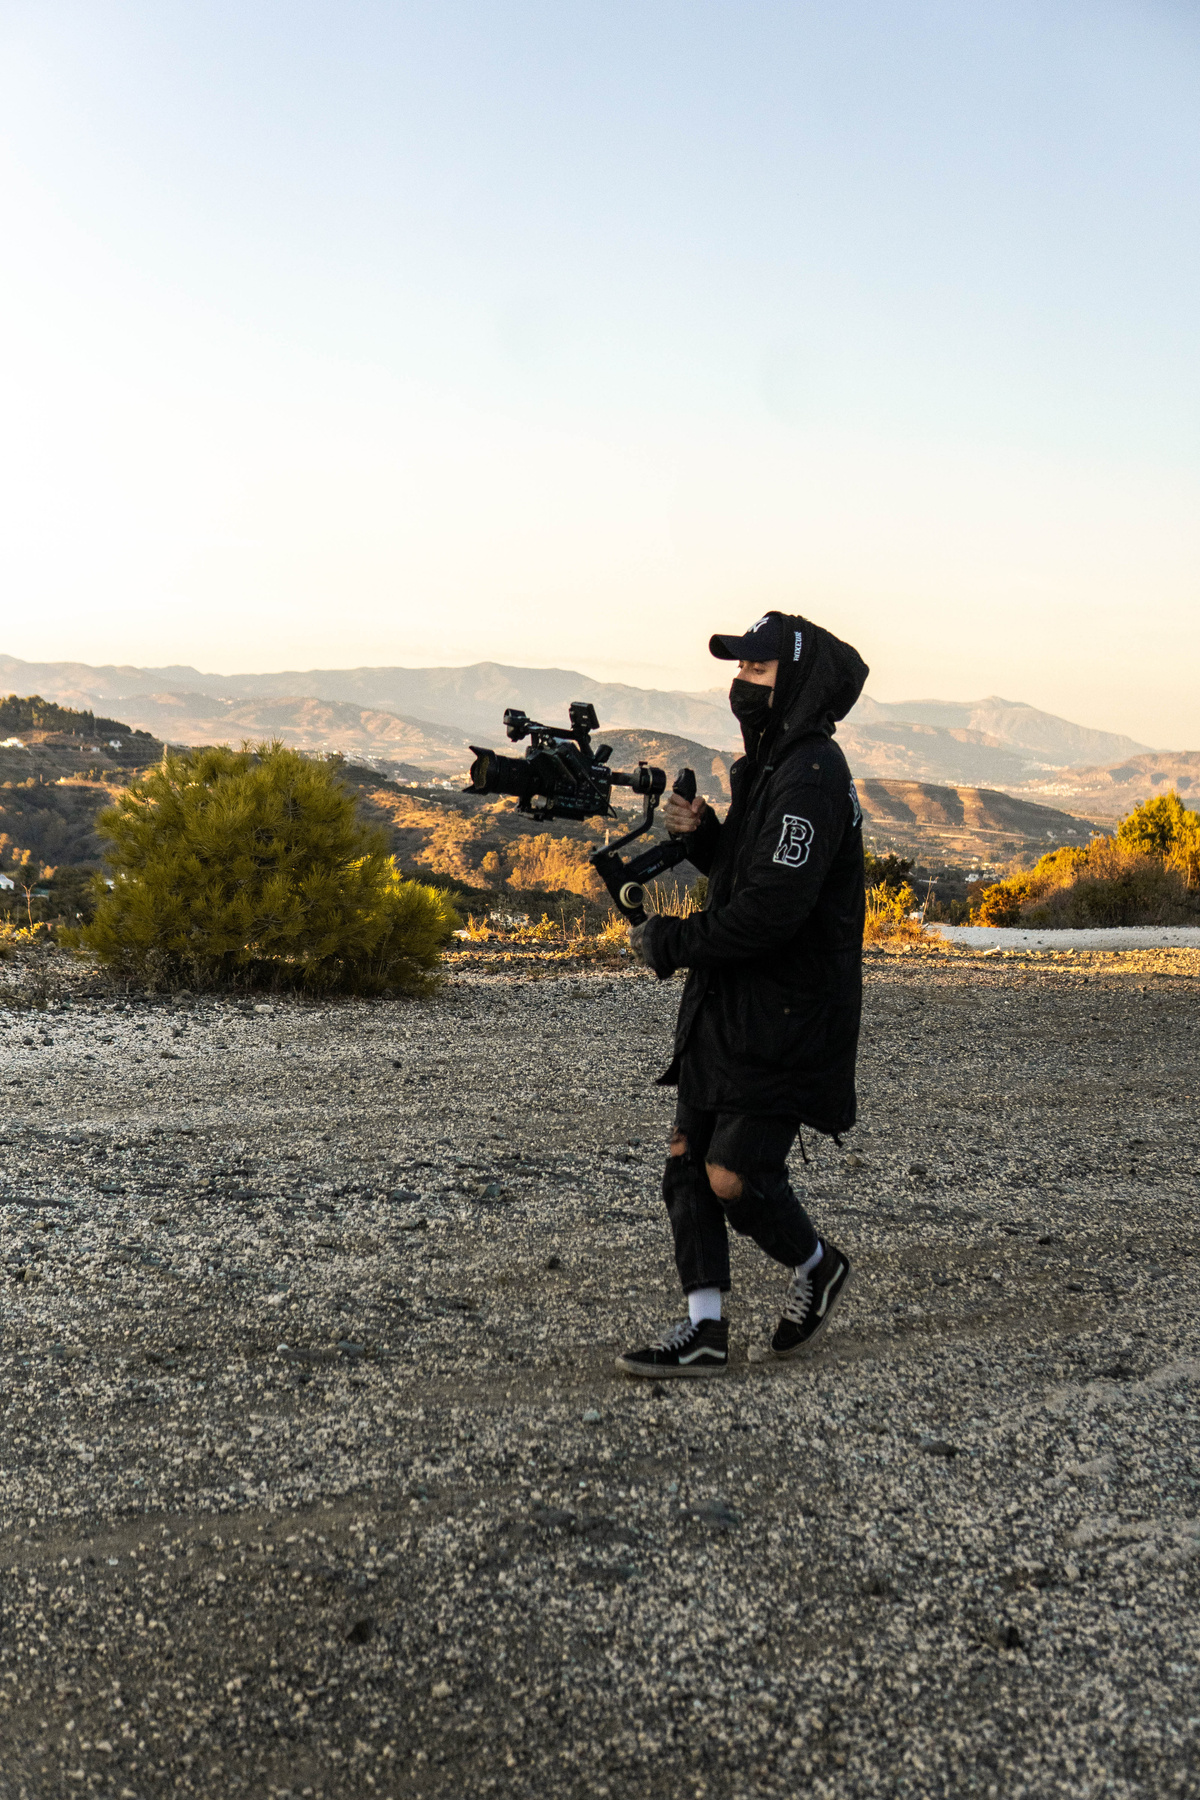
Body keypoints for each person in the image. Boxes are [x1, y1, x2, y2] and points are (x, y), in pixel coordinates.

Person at [616, 610, 869, 1378]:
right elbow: (750, 873)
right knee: (686, 1159)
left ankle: (817, 1265)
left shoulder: (812, 775)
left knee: (733, 1174)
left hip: (787, 1011)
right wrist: (704, 837)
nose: (742, 683)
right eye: (740, 669)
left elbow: (772, 910)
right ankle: (704, 1331)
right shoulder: (770, 765)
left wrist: (673, 941)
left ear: (797, 681)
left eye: (758, 670)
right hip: (731, 998)